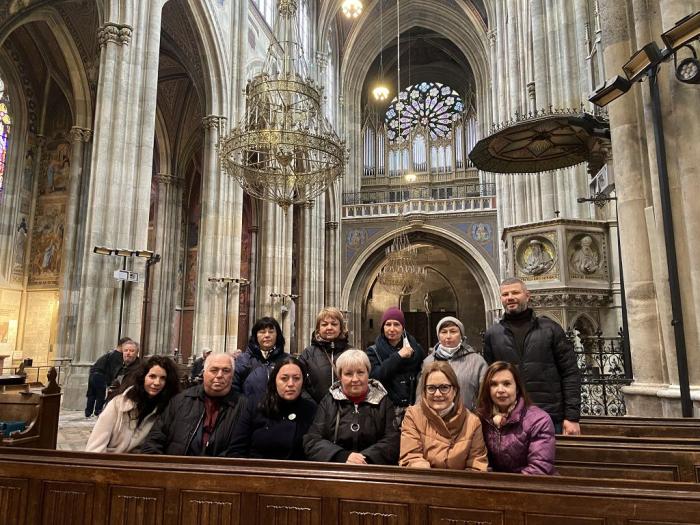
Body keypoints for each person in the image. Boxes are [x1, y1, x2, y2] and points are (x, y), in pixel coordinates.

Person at [483, 278, 581, 435]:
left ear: (527, 296)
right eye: (505, 294)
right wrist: (494, 412)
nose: (510, 297)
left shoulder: (550, 329)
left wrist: (572, 417)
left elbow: (570, 373)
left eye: (515, 292)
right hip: (509, 415)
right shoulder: (493, 334)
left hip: (549, 414)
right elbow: (489, 379)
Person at [304, 349, 399, 465]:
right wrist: (341, 456)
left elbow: (393, 441)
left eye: (360, 372)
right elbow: (312, 441)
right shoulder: (328, 402)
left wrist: (364, 458)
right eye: (348, 374)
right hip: (337, 469)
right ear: (340, 377)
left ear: (368, 374)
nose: (355, 379)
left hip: (372, 468)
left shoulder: (383, 402)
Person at [141, 353, 245, 456]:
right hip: (177, 465)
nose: (219, 375)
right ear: (203, 373)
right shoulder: (180, 401)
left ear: (233, 375)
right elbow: (154, 440)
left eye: (226, 371)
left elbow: (243, 450)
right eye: (214, 370)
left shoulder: (244, 407)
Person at [400, 361, 488, 471]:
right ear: (424, 392)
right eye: (431, 388)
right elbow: (411, 458)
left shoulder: (473, 422)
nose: (437, 394)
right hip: (424, 479)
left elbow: (477, 466)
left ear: (455, 390)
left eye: (444, 387)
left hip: (459, 481)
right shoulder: (413, 415)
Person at [85, 355, 180, 454]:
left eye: (163, 378)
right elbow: (96, 446)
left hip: (138, 461)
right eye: (152, 376)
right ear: (143, 377)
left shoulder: (166, 410)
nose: (157, 382)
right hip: (109, 459)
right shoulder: (119, 404)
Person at [475, 361, 556, 475]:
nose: (500, 390)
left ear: (517, 388)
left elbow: (539, 468)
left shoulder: (539, 420)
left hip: (531, 483)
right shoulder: (482, 418)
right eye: (494, 384)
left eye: (507, 384)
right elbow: (479, 461)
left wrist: (504, 484)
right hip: (494, 483)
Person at [229, 356, 317, 459]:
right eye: (284, 378)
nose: (290, 384)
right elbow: (236, 449)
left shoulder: (310, 409)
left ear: (303, 382)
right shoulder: (256, 405)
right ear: (274, 380)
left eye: (296, 378)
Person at [418, 316, 487, 410]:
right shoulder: (428, 362)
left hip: (468, 416)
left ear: (461, 335)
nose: (448, 336)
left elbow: (485, 394)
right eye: (444, 332)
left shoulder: (477, 361)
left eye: (453, 331)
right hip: (435, 417)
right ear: (438, 336)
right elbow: (420, 394)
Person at [366, 307, 424, 418]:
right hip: (385, 411)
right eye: (388, 324)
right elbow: (375, 377)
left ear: (403, 327)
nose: (392, 329)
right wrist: (398, 356)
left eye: (396, 324)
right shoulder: (373, 351)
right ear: (383, 327)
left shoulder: (417, 350)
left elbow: (422, 377)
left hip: (413, 410)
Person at [299, 307, 350, 403]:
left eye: (334, 324)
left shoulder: (352, 353)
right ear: (318, 329)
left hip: (346, 408)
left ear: (341, 328)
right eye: (324, 324)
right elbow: (299, 385)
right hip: (316, 408)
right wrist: (312, 406)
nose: (329, 327)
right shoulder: (308, 354)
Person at [233, 317, 286, 398]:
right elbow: (233, 388)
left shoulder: (286, 360)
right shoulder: (243, 360)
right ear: (256, 336)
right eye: (262, 332)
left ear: (277, 335)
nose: (267, 335)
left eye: (271, 332)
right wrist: (243, 404)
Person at [85, 337, 136, 417]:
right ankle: (98, 412)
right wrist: (111, 382)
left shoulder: (110, 353)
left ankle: (88, 413)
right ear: (122, 346)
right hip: (100, 375)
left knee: (91, 394)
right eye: (126, 348)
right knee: (100, 395)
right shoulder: (117, 355)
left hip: (92, 373)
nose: (127, 351)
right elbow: (114, 370)